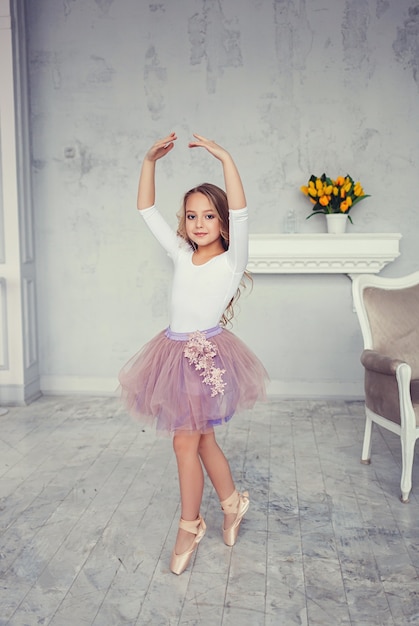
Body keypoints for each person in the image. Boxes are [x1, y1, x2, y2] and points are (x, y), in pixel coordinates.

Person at [119, 132, 267, 575]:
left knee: (186, 440)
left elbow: (242, 211)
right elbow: (145, 209)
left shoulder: (231, 261)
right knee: (202, 440)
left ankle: (189, 524)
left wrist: (225, 156)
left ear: (221, 221)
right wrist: (149, 161)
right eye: (191, 216)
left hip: (209, 358)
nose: (199, 223)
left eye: (208, 215)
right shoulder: (182, 253)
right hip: (172, 356)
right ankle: (232, 502)